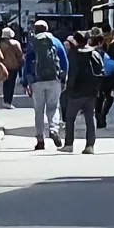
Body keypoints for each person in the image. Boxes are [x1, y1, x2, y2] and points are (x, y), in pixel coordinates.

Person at [25, 20, 66, 149]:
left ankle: (40, 140)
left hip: (37, 81)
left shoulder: (33, 43)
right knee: (53, 107)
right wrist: (64, 78)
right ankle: (53, 129)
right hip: (54, 79)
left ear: (35, 30)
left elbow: (26, 63)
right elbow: (64, 61)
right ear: (47, 29)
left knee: (39, 110)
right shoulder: (55, 41)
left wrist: (26, 82)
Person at [62, 31, 103, 153]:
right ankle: (90, 145)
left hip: (77, 91)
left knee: (70, 118)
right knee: (90, 118)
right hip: (92, 91)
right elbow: (101, 70)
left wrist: (68, 88)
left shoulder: (74, 53)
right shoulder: (95, 53)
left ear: (75, 41)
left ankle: (69, 144)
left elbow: (73, 73)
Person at [0, 27, 24, 106]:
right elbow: (20, 55)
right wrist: (20, 63)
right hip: (13, 66)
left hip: (3, 66)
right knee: (11, 84)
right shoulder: (15, 43)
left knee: (5, 83)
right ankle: (8, 101)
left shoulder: (0, 44)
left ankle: (5, 100)